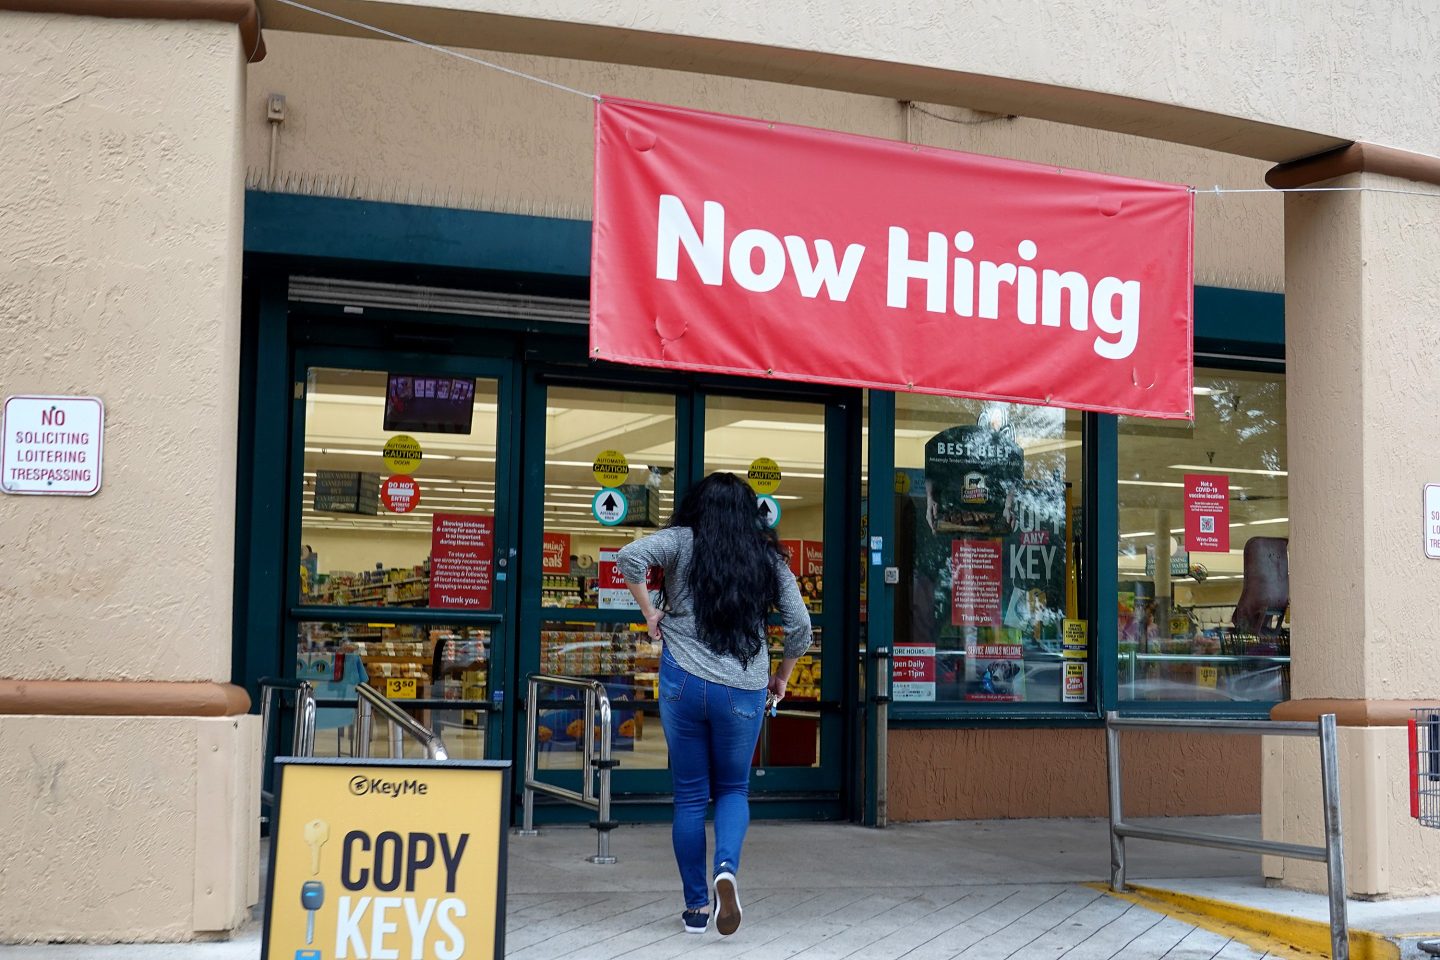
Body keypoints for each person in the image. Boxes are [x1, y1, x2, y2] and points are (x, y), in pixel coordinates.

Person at [617, 472, 812, 937]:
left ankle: (695, 909)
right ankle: (726, 868)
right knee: (733, 790)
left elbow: (629, 556)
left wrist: (650, 613)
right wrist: (780, 677)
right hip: (743, 688)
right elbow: (800, 626)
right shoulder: (767, 557)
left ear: (696, 507)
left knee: (688, 796)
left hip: (683, 680)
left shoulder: (683, 540)